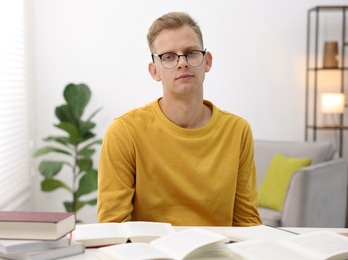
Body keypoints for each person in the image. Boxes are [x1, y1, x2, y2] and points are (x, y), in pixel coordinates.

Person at [97, 11, 261, 226]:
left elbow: (247, 223)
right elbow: (113, 227)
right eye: (169, 57)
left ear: (207, 61)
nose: (182, 63)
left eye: (191, 53)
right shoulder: (124, 131)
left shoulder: (237, 130)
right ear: (154, 71)